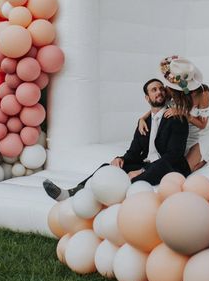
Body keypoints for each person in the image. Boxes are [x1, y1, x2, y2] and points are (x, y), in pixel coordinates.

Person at [42, 78, 190, 200]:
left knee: (141, 174)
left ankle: (106, 196)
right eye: (154, 90)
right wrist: (120, 159)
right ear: (147, 98)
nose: (159, 92)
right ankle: (71, 192)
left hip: (168, 167)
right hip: (147, 164)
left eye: (161, 89)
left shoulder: (176, 118)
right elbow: (133, 151)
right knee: (108, 167)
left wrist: (143, 170)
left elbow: (174, 155)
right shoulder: (144, 123)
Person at [139, 57, 209, 172]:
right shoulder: (171, 89)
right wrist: (142, 118)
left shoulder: (202, 93)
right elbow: (159, 106)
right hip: (184, 132)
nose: (167, 88)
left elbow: (203, 125)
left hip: (203, 132)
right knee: (175, 163)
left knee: (189, 169)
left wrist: (183, 113)